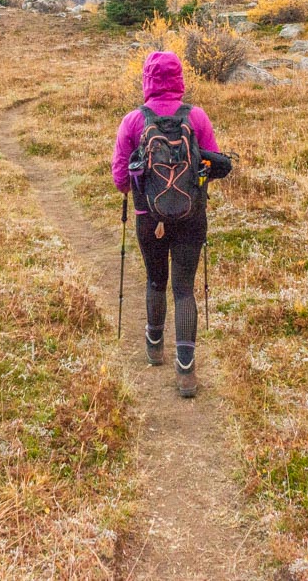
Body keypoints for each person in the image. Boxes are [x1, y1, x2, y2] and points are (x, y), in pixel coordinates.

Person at [112, 50, 218, 397]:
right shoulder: (197, 117)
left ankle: (154, 344)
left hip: (147, 218)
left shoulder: (133, 121)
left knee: (156, 281)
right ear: (179, 78)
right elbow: (212, 164)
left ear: (147, 80)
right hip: (191, 219)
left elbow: (119, 179)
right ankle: (186, 371)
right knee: (184, 288)